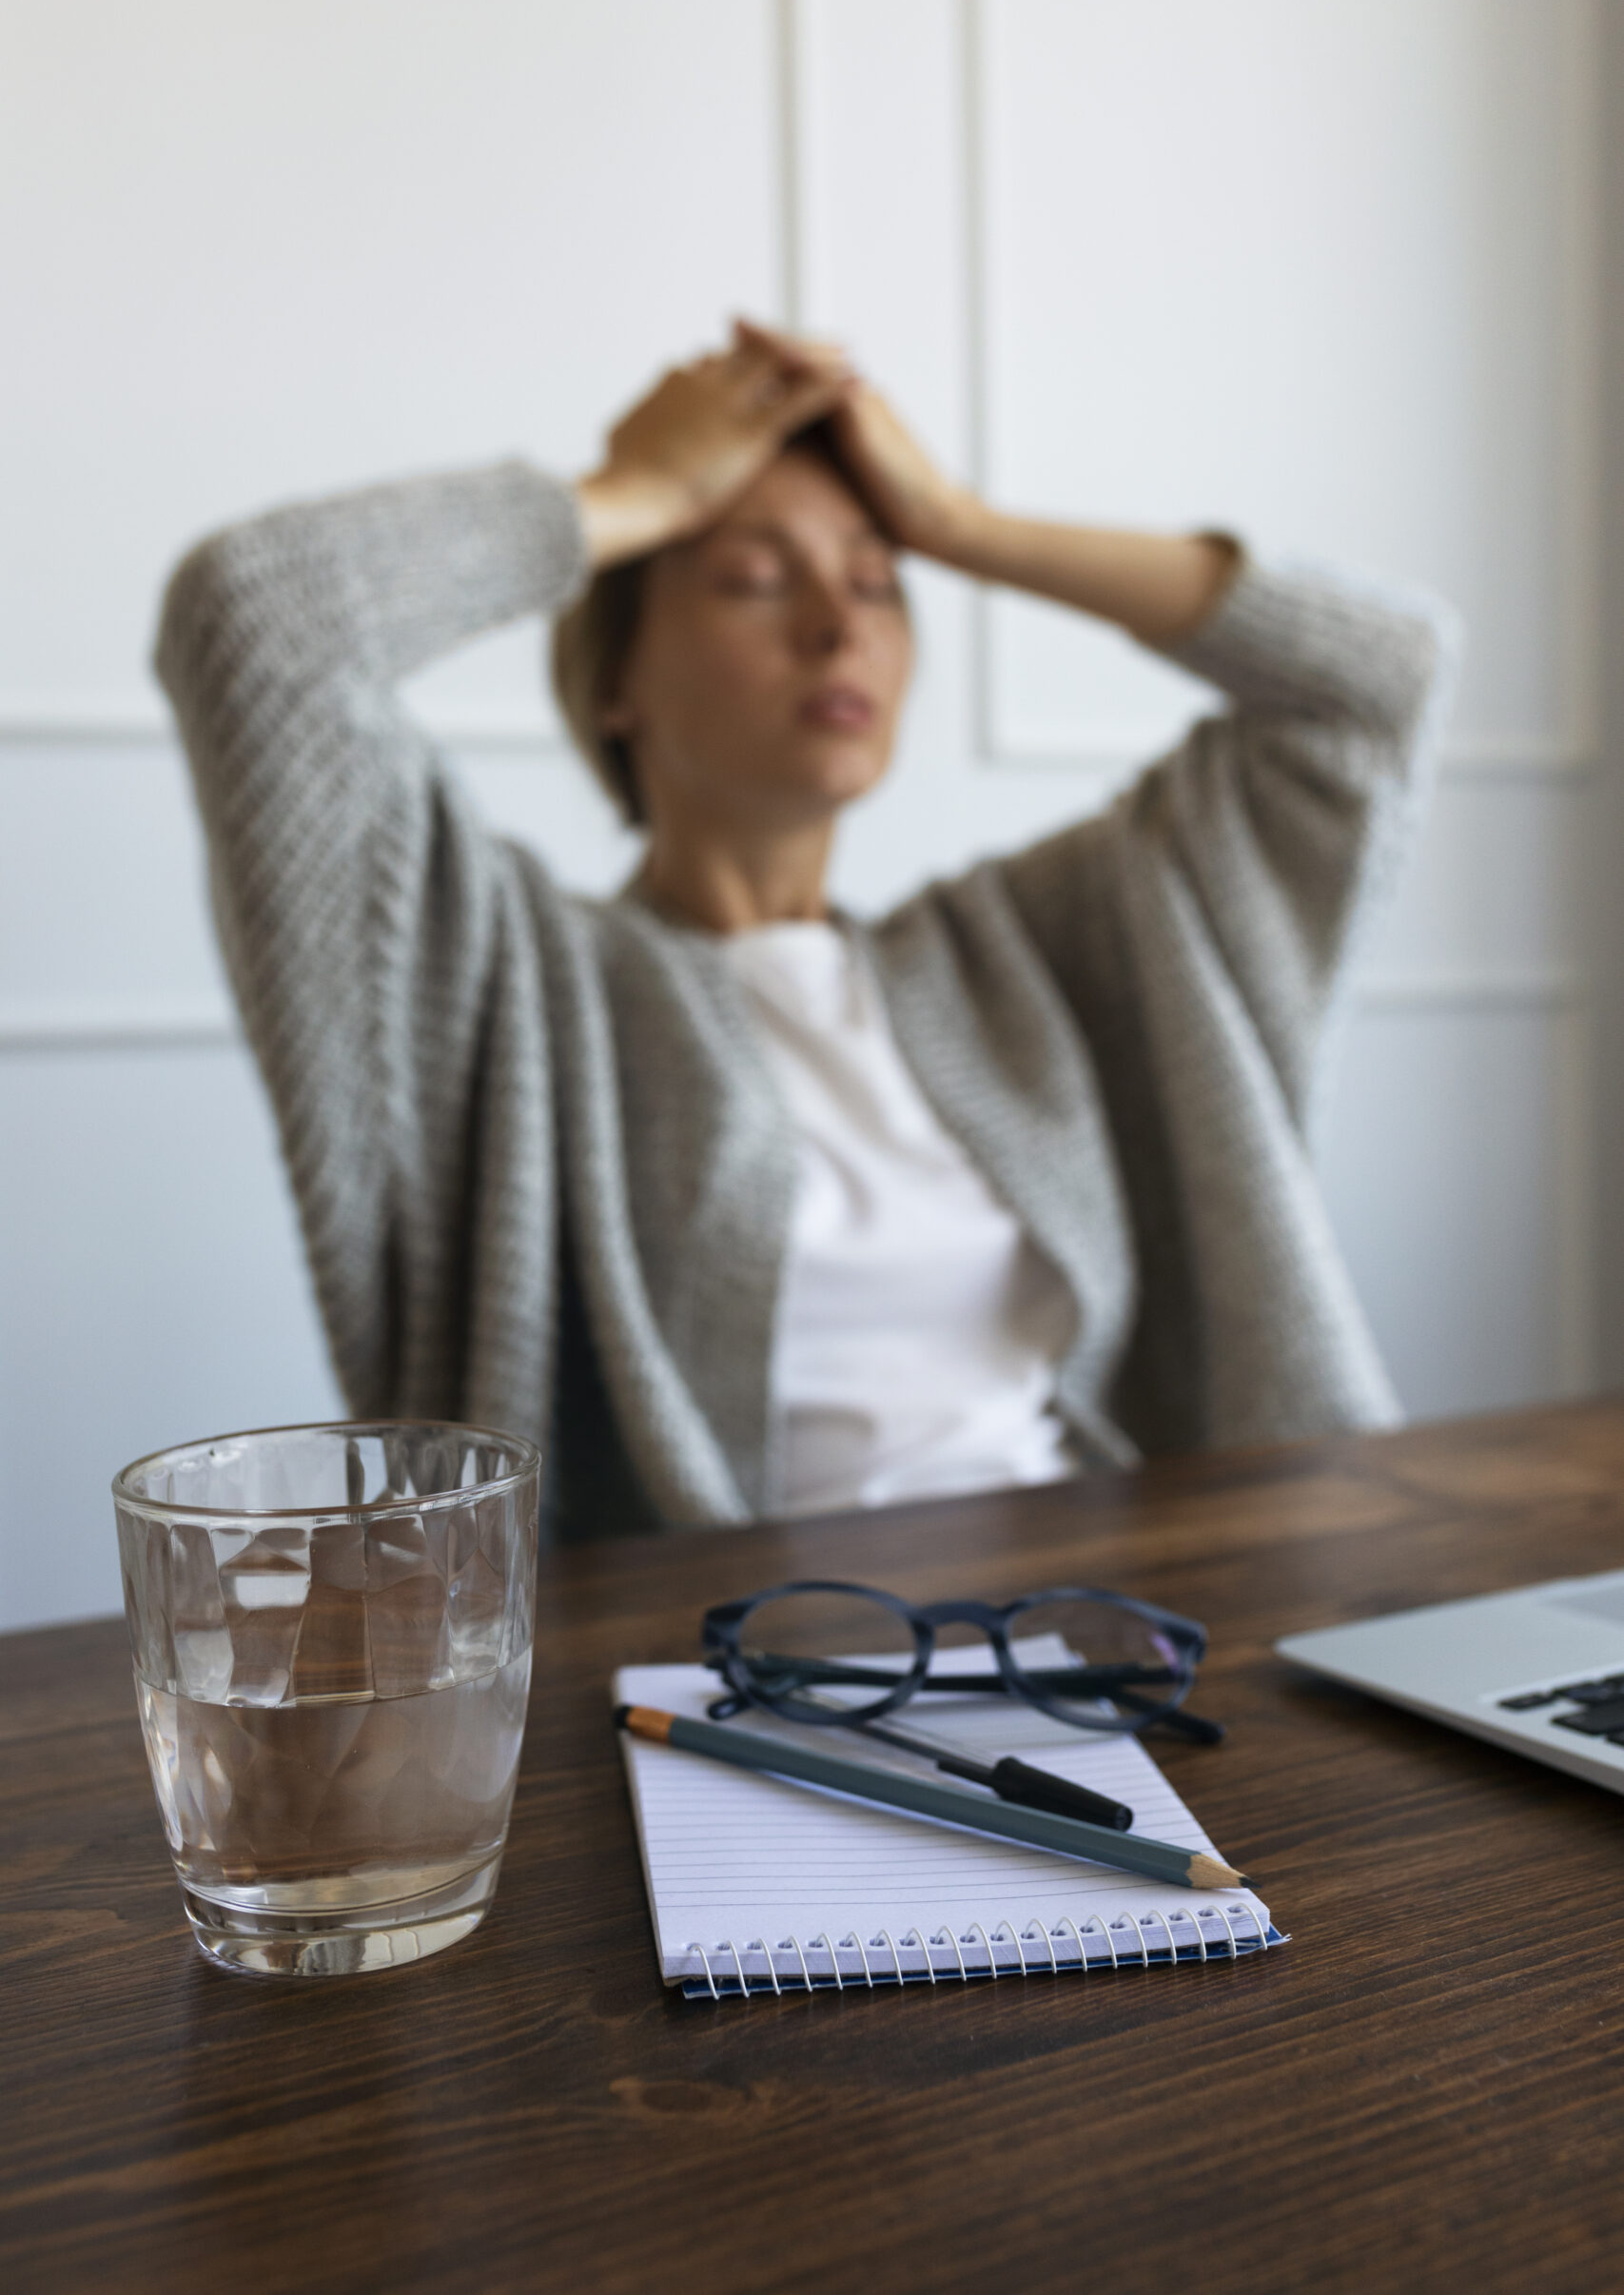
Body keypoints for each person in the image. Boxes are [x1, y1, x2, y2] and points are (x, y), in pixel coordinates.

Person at [156, 321, 1453, 1540]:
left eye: (878, 584)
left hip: (1118, 1632)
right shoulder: (502, 983)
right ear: (613, 681)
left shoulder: (1050, 946)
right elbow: (254, 624)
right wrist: (633, 492)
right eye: (754, 577)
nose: (839, 627)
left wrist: (960, 521)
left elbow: (1374, 685)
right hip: (712, 1699)